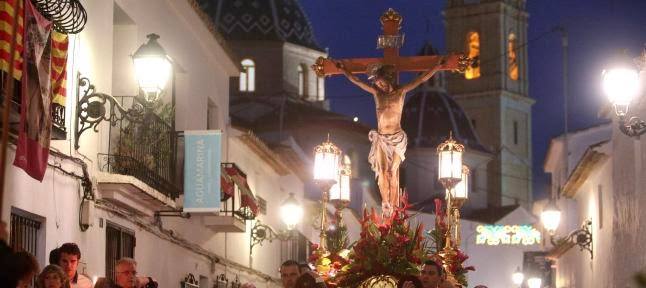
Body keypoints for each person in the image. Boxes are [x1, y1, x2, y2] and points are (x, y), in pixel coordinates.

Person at [335, 59, 448, 216]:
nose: (380, 86)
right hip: (381, 139)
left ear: (388, 80)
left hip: (396, 139)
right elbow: (358, 82)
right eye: (378, 84)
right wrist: (344, 71)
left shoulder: (400, 93)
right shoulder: (377, 95)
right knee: (382, 171)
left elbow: (420, 79)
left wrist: (436, 67)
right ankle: (386, 202)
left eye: (382, 83)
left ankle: (393, 205)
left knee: (391, 172)